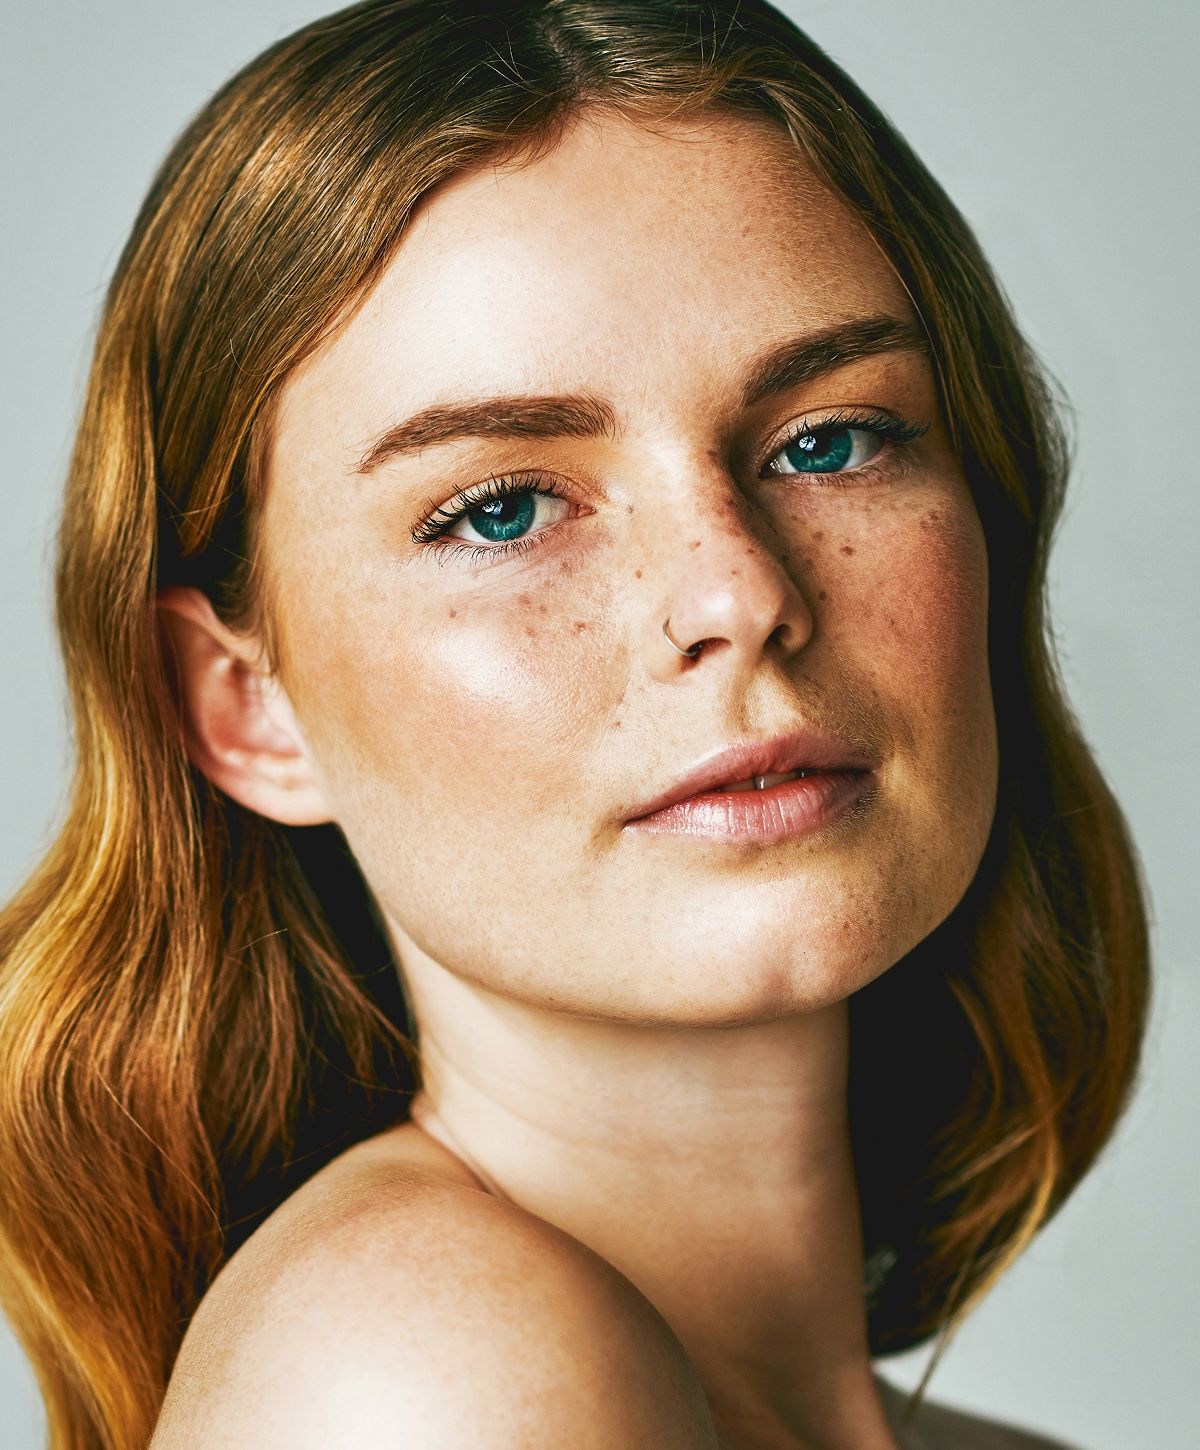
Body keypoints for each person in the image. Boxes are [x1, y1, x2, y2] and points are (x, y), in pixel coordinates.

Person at [0, 2, 1150, 1447]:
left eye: (830, 439)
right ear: (248, 707)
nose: (736, 593)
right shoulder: (421, 1381)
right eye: (503, 509)